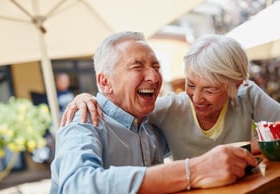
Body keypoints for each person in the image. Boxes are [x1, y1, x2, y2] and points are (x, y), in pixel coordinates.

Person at [50, 31, 257, 194]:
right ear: (105, 82)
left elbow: (203, 138)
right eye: (137, 66)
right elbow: (76, 187)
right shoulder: (84, 120)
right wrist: (191, 172)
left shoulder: (152, 125)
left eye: (156, 66)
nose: (153, 76)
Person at [61, 34, 280, 160]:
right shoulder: (168, 109)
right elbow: (124, 108)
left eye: (210, 89)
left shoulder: (248, 94)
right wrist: (86, 97)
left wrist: (244, 150)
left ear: (237, 84)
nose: (197, 98)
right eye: (191, 84)